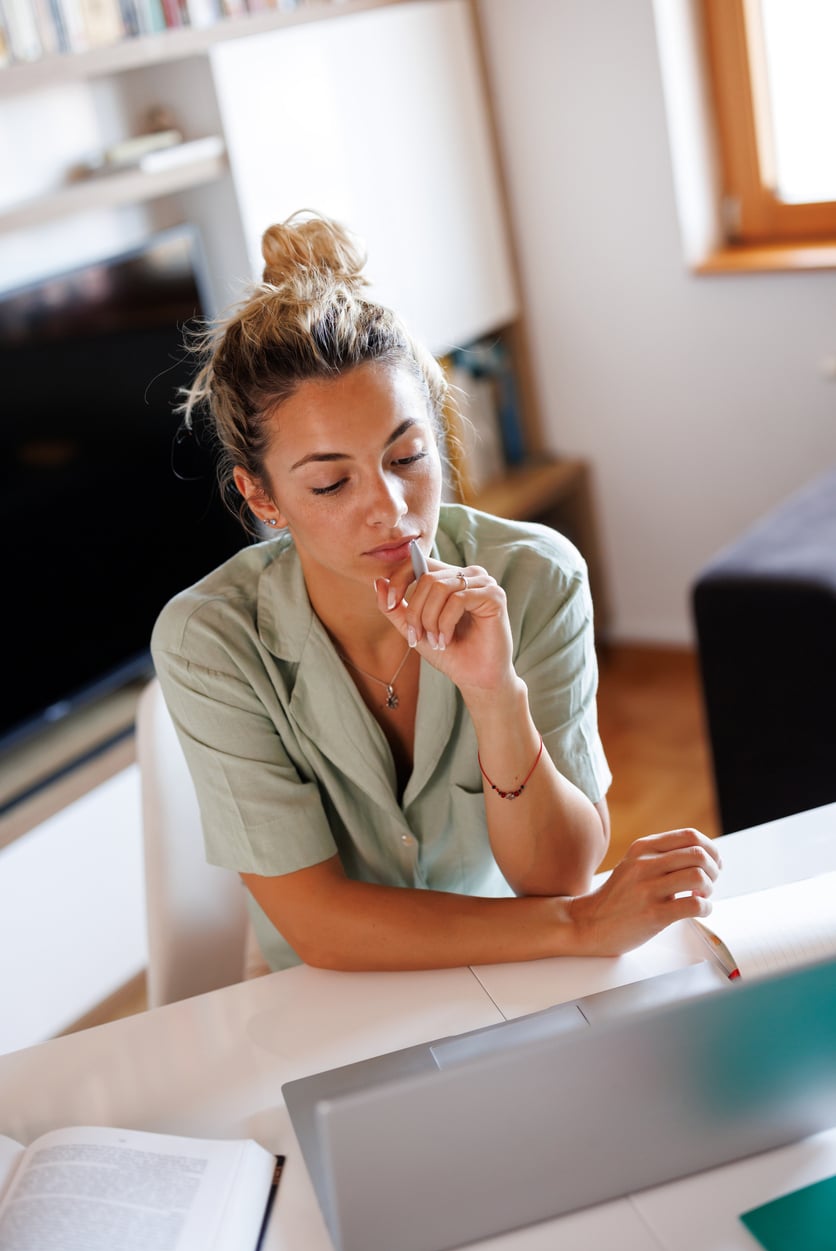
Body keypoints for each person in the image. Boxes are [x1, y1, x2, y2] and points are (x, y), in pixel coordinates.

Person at [151, 210, 720, 973]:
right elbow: (321, 925)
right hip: (333, 997)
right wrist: (578, 929)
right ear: (262, 498)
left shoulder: (537, 576)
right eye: (329, 481)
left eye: (408, 456)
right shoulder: (208, 642)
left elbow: (555, 877)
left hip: (514, 973)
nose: (389, 507)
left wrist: (495, 695)